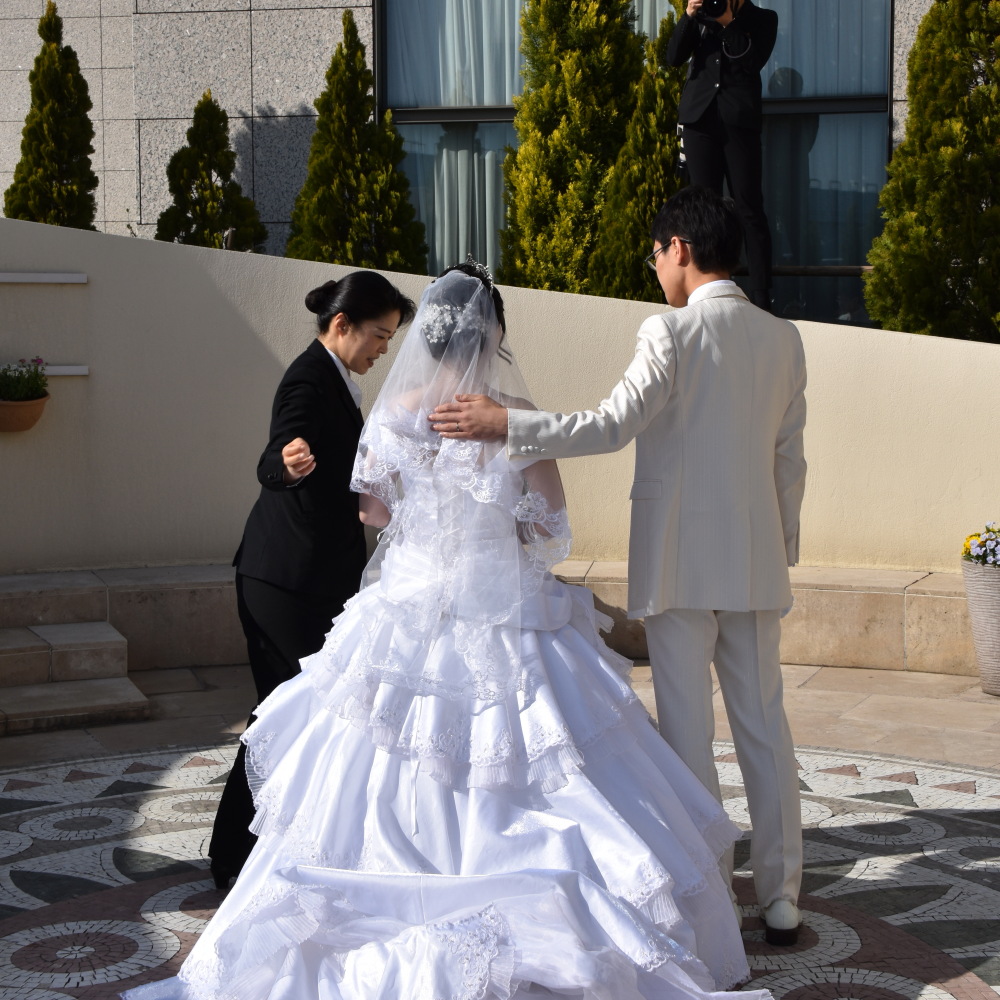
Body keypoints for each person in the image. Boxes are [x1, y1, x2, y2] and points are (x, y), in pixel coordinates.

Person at [125, 262, 773, 1000]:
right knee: (549, 764)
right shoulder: (511, 414)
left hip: (409, 606)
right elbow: (551, 528)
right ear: (494, 337)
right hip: (505, 611)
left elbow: (374, 512)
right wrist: (500, 526)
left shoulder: (395, 411)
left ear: (426, 338)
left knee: (375, 764)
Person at [429, 188, 808, 946]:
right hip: (756, 561)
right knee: (766, 729)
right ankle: (783, 897)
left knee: (689, 733)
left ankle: (710, 887)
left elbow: (609, 425)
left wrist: (509, 423)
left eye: (656, 254)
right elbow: (789, 461)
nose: (655, 268)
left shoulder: (670, 330)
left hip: (677, 561)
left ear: (680, 249)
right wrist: (780, 549)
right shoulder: (783, 337)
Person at [208, 271, 416, 890]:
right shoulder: (308, 377)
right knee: (283, 714)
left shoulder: (339, 377)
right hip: (285, 581)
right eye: (378, 335)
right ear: (341, 324)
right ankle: (233, 856)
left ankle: (265, 850)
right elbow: (278, 452)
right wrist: (286, 465)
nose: (383, 349)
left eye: (390, 338)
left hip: (312, 578)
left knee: (299, 716)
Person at [667, 0, 777, 310]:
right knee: (704, 210)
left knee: (748, 206)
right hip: (699, 121)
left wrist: (729, 24)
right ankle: (706, 293)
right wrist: (689, 16)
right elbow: (673, 57)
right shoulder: (701, 17)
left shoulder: (763, 19)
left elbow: (751, 62)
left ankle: (761, 298)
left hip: (738, 123)